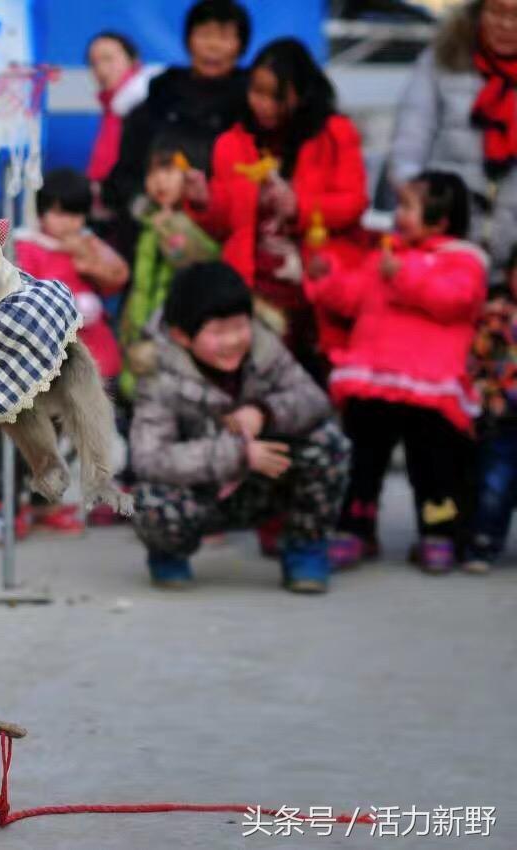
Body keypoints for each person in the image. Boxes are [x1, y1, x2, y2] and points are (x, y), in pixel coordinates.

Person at [129, 261, 350, 593]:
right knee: (151, 499)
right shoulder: (160, 375)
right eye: (218, 332)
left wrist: (266, 413)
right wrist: (238, 452)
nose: (233, 340)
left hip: (260, 485)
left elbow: (313, 399)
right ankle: (168, 553)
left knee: (327, 441)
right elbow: (150, 457)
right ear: (181, 336)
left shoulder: (265, 349)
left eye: (239, 326)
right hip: (200, 494)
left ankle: (305, 547)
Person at [308, 172, 487, 573]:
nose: (398, 215)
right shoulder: (385, 255)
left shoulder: (464, 262)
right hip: (374, 377)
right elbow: (352, 298)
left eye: (408, 206)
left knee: (431, 466)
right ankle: (356, 527)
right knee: (363, 460)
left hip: (429, 385)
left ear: (440, 222)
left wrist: (402, 275)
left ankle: (437, 533)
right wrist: (327, 275)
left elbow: (453, 302)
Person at [186, 37, 368, 381]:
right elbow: (225, 222)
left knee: (319, 376)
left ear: (302, 93)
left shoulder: (334, 134)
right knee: (258, 377)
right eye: (256, 91)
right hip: (256, 282)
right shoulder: (233, 142)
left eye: (276, 95)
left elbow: (353, 202)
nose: (264, 104)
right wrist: (202, 201)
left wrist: (301, 207)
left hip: (317, 282)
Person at [13, 168, 129, 531]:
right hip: (43, 361)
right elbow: (21, 293)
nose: (68, 223)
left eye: (76, 214)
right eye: (60, 213)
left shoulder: (86, 243)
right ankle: (17, 503)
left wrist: (91, 263)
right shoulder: (27, 246)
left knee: (74, 435)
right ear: (42, 211)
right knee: (38, 436)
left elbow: (117, 277)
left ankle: (48, 504)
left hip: (88, 356)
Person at [389, 0, 517, 286]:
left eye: (516, 15)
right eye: (497, 12)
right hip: (441, 250)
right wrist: (421, 211)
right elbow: (410, 141)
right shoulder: (442, 59)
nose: (506, 25)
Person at [103, 0, 251, 217]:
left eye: (224, 37)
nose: (213, 46)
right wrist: (144, 209)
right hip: (156, 221)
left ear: (241, 45)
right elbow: (125, 175)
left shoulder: (252, 104)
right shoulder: (159, 97)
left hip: (226, 220)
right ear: (188, 40)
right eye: (204, 35)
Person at [118, 139, 220, 401]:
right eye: (152, 173)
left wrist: (172, 230)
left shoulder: (200, 220)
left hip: (176, 331)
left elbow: (198, 261)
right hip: (143, 329)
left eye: (169, 171)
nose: (159, 181)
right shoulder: (146, 222)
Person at [463, 251, 517, 572]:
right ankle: (484, 541)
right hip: (503, 418)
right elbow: (477, 360)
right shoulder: (497, 316)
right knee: (494, 483)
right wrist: (480, 388)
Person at [85, 32, 160, 186]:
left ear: (133, 60)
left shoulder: (150, 105)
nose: (101, 69)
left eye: (108, 59)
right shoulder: (111, 107)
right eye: (93, 63)